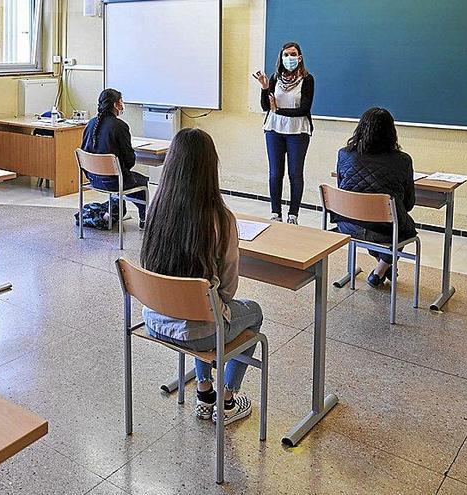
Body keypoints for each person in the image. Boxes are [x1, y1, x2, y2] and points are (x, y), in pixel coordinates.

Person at [140, 128, 263, 425]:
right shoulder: (221, 218)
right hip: (199, 330)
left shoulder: (157, 207)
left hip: (154, 320)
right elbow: (229, 291)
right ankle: (227, 398)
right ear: (212, 167)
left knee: (201, 303)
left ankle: (204, 389)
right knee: (251, 313)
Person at [335, 107, 417, 287]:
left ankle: (383, 265)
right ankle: (381, 269)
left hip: (348, 224)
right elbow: (409, 204)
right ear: (391, 133)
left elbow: (341, 190)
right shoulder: (402, 160)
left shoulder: (344, 154)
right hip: (385, 229)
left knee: (375, 224)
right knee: (403, 228)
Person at [254, 41, 315, 225]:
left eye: (293, 54)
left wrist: (278, 110)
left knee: (295, 174)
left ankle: (293, 215)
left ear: (299, 57)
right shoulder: (275, 78)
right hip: (274, 129)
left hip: (298, 130)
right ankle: (275, 213)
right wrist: (265, 88)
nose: (289, 58)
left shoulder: (307, 79)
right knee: (275, 173)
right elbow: (266, 107)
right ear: (281, 57)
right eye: (286, 55)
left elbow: (304, 109)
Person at [80, 88, 148, 229]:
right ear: (116, 105)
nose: (122, 104)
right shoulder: (120, 126)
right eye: (121, 101)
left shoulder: (91, 124)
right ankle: (143, 221)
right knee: (142, 182)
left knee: (123, 178)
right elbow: (129, 161)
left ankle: (115, 206)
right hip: (114, 181)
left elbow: (84, 150)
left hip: (93, 179)